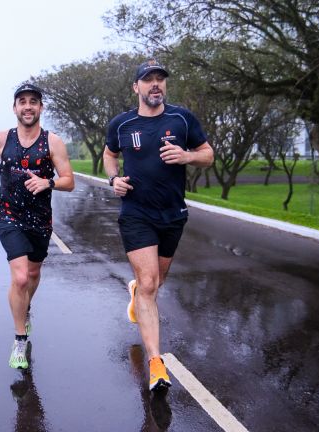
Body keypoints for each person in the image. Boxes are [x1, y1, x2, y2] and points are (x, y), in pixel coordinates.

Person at [103, 60, 214, 392]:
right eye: (148, 80)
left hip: (173, 213)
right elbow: (110, 155)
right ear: (136, 87)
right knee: (150, 283)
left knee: (154, 283)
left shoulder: (182, 119)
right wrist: (113, 179)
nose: (155, 85)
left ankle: (137, 292)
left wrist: (187, 156)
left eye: (160, 80)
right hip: (136, 212)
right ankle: (156, 362)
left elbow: (207, 154)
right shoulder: (122, 124)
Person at [0, 83, 75, 369]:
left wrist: (48, 182)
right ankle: (19, 339)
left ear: (41, 108)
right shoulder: (0, 139)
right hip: (8, 215)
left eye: (33, 101)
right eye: (22, 101)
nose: (28, 106)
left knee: (33, 274)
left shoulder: (53, 142)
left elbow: (69, 180)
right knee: (20, 278)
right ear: (14, 108)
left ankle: (26, 307)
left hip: (39, 219)